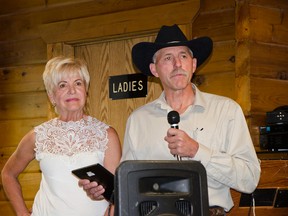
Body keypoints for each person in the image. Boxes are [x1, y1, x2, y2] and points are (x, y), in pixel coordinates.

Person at [80, 24, 261, 215]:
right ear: (154, 69)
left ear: (193, 64)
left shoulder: (226, 110)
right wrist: (104, 192)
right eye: (168, 58)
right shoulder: (138, 120)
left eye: (183, 56)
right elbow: (129, 184)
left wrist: (198, 151)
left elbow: (249, 179)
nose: (177, 64)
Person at [1, 56, 122, 216]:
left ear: (86, 90)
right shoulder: (38, 136)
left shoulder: (107, 135)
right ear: (51, 96)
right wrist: (22, 213)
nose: (72, 90)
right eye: (63, 85)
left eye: (78, 83)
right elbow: (8, 174)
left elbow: (116, 194)